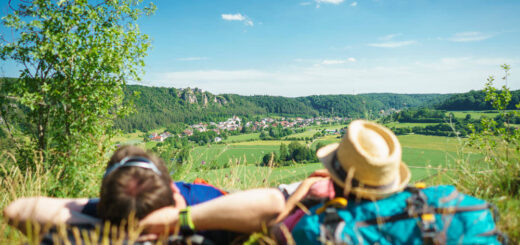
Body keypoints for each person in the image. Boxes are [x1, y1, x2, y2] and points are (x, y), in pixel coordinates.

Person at [4, 145, 285, 243]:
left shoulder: (102, 222)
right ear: (173, 187)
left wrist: (117, 225)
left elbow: (16, 210)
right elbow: (275, 205)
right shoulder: (203, 202)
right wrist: (182, 217)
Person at [272, 119, 411, 243]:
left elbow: (275, 231)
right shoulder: (408, 211)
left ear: (334, 179)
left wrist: (306, 184)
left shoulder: (311, 224)